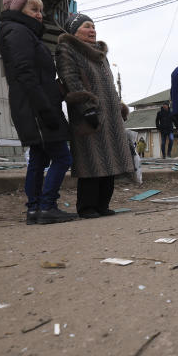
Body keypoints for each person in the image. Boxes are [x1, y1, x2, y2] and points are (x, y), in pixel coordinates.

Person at [0, 0, 74, 225]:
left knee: (39, 159)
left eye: (40, 10)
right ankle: (47, 206)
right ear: (19, 10)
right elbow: (25, 73)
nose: (39, 15)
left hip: (32, 106)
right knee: (62, 158)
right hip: (36, 108)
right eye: (34, 9)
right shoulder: (18, 32)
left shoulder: (23, 32)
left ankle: (34, 210)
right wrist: (45, 108)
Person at [56, 13, 137, 219]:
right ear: (74, 31)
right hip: (88, 115)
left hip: (110, 115)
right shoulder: (68, 49)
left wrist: (119, 107)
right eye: (86, 26)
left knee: (111, 160)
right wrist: (87, 108)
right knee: (90, 160)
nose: (92, 30)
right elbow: (71, 80)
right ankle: (86, 207)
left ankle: (103, 204)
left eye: (93, 26)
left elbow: (109, 86)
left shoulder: (100, 54)